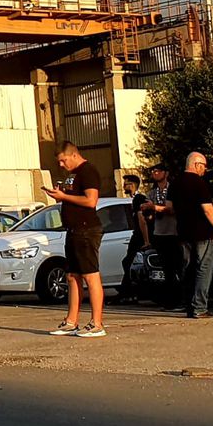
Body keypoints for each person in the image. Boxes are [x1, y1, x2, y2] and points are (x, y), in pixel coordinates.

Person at [43, 142, 105, 337]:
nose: (61, 165)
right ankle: (71, 321)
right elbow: (72, 197)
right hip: (73, 230)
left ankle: (97, 323)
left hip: (87, 229)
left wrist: (65, 196)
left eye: (63, 160)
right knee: (72, 276)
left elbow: (91, 200)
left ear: (74, 155)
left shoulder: (88, 171)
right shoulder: (73, 175)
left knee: (90, 275)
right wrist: (60, 196)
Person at [166, 152, 213, 318]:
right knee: (203, 269)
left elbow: (169, 207)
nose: (205, 170)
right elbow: (208, 209)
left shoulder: (175, 183)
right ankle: (200, 307)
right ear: (196, 164)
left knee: (187, 268)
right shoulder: (199, 183)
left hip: (183, 232)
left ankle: (189, 305)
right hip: (202, 232)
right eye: (204, 166)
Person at [141, 164, 180, 309]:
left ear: (166, 173)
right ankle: (170, 301)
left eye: (158, 171)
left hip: (174, 232)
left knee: (179, 267)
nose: (155, 173)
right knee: (166, 269)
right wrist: (148, 211)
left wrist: (154, 207)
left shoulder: (173, 190)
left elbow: (172, 210)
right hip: (160, 233)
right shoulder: (152, 193)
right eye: (153, 171)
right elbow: (149, 215)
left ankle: (181, 298)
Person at [116, 174, 150, 304]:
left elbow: (142, 220)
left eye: (126, 184)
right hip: (138, 234)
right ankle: (128, 292)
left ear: (132, 185)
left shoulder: (138, 199)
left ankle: (128, 293)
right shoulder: (135, 199)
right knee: (128, 262)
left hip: (139, 235)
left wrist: (146, 240)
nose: (124, 186)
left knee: (129, 262)